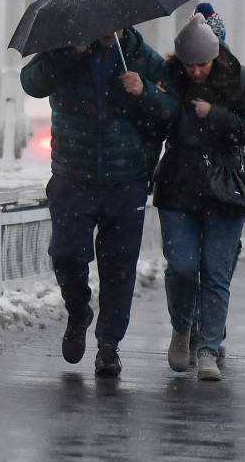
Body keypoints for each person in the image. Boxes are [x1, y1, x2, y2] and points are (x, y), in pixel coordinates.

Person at [20, 27, 177, 378]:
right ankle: (78, 311)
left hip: (127, 179)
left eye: (115, 26)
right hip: (72, 175)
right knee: (66, 253)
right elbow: (31, 82)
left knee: (119, 268)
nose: (109, 32)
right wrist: (68, 53)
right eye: (101, 27)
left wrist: (145, 91)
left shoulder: (140, 55)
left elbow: (170, 111)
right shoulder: (65, 48)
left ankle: (109, 346)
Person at [153, 13, 245, 381]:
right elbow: (153, 124)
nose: (197, 72)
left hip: (225, 187)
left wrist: (215, 115)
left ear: (215, 56)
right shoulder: (169, 79)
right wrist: (147, 98)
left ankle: (208, 350)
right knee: (183, 267)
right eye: (190, 65)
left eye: (202, 64)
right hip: (178, 184)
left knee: (216, 272)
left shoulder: (240, 80)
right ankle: (181, 327)